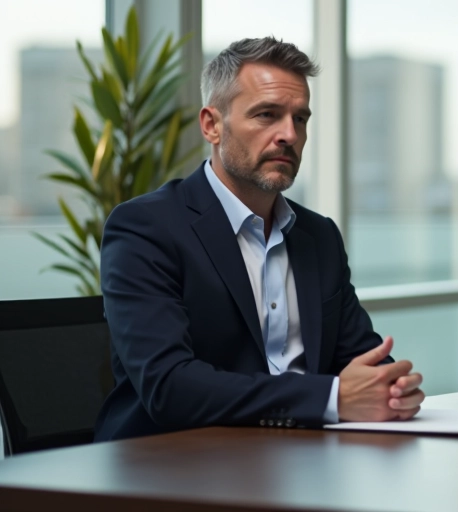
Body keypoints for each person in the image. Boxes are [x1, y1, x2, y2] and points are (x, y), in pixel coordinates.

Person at [94, 37, 424, 441]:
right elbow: (170, 388)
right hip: (171, 466)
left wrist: (391, 391)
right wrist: (331, 398)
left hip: (303, 461)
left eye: (300, 118)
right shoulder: (146, 228)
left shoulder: (318, 236)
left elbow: (364, 366)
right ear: (212, 125)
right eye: (267, 115)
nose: (289, 134)